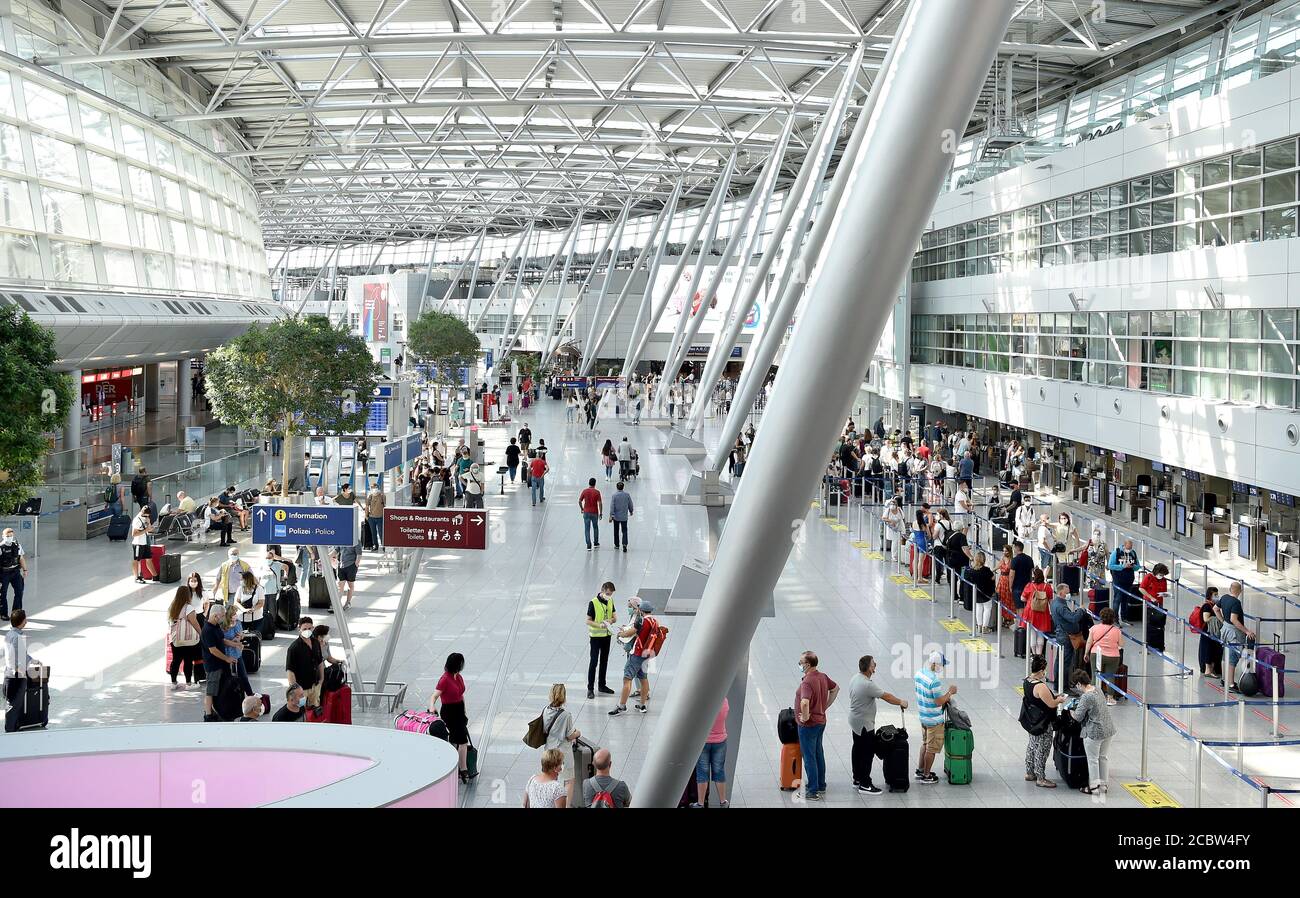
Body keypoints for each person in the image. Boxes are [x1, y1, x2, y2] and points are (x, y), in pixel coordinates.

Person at [848, 654, 908, 795]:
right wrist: (901, 702)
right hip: (864, 724)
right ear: (869, 668)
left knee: (857, 749)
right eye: (874, 664)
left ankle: (857, 778)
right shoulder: (867, 684)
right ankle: (865, 784)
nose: (875, 665)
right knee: (866, 753)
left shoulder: (855, 678)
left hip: (855, 720)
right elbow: (886, 696)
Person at [794, 650, 839, 800]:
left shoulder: (807, 682)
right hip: (821, 722)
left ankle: (812, 791)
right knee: (818, 753)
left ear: (807, 664)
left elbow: (805, 702)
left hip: (809, 726)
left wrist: (805, 717)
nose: (799, 664)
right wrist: (824, 706)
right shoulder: (822, 676)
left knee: (809, 757)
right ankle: (820, 784)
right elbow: (835, 688)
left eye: (801, 662)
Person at [1020, 653, 1068, 788]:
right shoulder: (1040, 686)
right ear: (1041, 670)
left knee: (1032, 746)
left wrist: (1053, 697)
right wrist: (1060, 699)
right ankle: (1041, 778)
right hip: (1043, 723)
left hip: (1032, 721)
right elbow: (1051, 704)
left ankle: (1030, 772)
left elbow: (1040, 699)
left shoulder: (1027, 680)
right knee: (1042, 749)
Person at [1068, 669, 1117, 794]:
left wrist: (1071, 712)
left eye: (1076, 685)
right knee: (1103, 757)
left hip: (1095, 732)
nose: (1076, 688)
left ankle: (1094, 788)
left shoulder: (1086, 696)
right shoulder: (1098, 689)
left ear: (1079, 683)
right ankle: (1103, 785)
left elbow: (1078, 717)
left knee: (1093, 760)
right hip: (1108, 728)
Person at [609, 597, 658, 716]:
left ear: (641, 610)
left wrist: (620, 633)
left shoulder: (641, 620)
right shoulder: (654, 621)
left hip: (636, 654)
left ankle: (622, 706)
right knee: (643, 678)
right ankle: (642, 705)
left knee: (627, 679)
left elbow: (630, 633)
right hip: (647, 654)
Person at [913, 652, 956, 784]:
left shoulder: (919, 673)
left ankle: (920, 770)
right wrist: (950, 693)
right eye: (941, 665)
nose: (942, 667)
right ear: (936, 664)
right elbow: (939, 701)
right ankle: (926, 776)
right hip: (934, 720)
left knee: (925, 744)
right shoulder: (934, 681)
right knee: (931, 749)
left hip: (923, 715)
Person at [432, 652, 475, 782]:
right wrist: (432, 707)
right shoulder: (445, 679)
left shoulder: (459, 677)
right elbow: (434, 695)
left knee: (457, 740)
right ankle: (463, 769)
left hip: (459, 710)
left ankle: (456, 767)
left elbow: (461, 695)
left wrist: (465, 712)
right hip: (449, 712)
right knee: (462, 741)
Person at [691, 697, 731, 808]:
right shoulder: (724, 702)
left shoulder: (702, 704)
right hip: (720, 741)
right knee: (719, 771)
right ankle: (723, 802)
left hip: (704, 742)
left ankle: (700, 803)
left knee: (702, 773)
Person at [1217, 581, 1255, 694]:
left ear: (1230, 589)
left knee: (1226, 656)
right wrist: (1247, 631)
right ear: (1240, 591)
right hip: (1234, 634)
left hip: (1225, 630)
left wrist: (1223, 620)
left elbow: (1215, 609)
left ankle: (1224, 679)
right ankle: (1231, 684)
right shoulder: (1236, 603)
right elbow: (1234, 619)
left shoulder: (1224, 598)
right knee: (1232, 658)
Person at [200, 606, 236, 721]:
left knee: (219, 688)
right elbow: (213, 650)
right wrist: (226, 658)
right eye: (222, 615)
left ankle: (216, 710)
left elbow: (222, 640)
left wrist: (234, 644)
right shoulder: (207, 630)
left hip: (220, 664)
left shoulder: (216, 627)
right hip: (213, 665)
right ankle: (208, 714)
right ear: (215, 616)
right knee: (211, 690)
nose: (224, 618)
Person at [1083, 607, 1123, 705]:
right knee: (1110, 676)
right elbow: (1121, 644)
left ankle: (1094, 697)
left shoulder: (1094, 628)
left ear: (1101, 617)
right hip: (1113, 656)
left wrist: (1086, 653)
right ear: (1113, 618)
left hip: (1096, 654)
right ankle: (1110, 698)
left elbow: (1089, 642)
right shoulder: (1117, 630)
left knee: (1095, 675)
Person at [166, 585, 203, 687]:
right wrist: (201, 633)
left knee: (176, 660)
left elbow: (170, 622)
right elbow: (194, 623)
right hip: (188, 639)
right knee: (188, 660)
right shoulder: (188, 607)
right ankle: (188, 683)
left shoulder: (172, 607)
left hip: (175, 638)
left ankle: (173, 682)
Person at [586, 581, 618, 699]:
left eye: (611, 594)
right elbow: (588, 620)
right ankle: (590, 688)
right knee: (594, 662)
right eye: (608, 593)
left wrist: (610, 621)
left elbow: (615, 617)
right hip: (595, 637)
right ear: (603, 590)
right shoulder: (593, 603)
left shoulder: (610, 601)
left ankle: (602, 685)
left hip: (607, 636)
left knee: (604, 661)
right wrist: (599, 625)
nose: (609, 596)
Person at [286, 615, 323, 709]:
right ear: (299, 629)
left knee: (315, 711)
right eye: (304, 629)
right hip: (302, 689)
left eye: (309, 628)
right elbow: (290, 671)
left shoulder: (315, 643)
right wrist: (295, 691)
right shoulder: (294, 648)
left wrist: (321, 679)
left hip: (315, 686)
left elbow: (319, 662)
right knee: (301, 712)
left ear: (313, 628)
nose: (307, 631)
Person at [1139, 562, 1170, 653]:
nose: (1162, 576)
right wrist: (1151, 597)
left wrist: (1166, 594)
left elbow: (1164, 591)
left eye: (1163, 575)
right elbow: (1141, 588)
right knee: (1149, 625)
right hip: (1149, 604)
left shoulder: (1163, 580)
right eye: (1161, 574)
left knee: (1160, 625)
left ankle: (1159, 644)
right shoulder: (1148, 577)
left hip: (1159, 604)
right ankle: (1148, 643)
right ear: (1156, 572)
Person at [1021, 568, 1053, 655]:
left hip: (1031, 612)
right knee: (1040, 634)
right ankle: (1039, 655)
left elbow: (1022, 598)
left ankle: (1034, 654)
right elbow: (1051, 601)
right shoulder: (1047, 587)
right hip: (1043, 612)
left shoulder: (1029, 585)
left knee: (1032, 634)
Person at [1107, 538, 1140, 621]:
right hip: (1118, 579)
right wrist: (1122, 566)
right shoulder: (1116, 552)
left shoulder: (1133, 553)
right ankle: (1115, 618)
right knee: (1118, 598)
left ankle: (1124, 617)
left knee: (1126, 599)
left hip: (1128, 579)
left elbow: (1137, 567)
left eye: (1131, 548)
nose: (1129, 549)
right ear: (1124, 545)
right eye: (1128, 548)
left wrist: (1133, 566)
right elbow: (1110, 565)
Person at [966, 550, 997, 633]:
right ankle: (985, 627)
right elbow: (993, 578)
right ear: (984, 560)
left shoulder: (972, 571)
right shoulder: (986, 570)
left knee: (978, 608)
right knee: (987, 609)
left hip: (977, 593)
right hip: (987, 593)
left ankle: (979, 626)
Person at [1196, 586, 1223, 678]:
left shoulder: (1213, 605)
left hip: (1213, 632)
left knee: (1214, 650)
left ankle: (1213, 669)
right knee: (1208, 650)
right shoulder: (1207, 606)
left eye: (1217, 594)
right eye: (1215, 595)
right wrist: (1216, 618)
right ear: (1210, 595)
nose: (1217, 596)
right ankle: (1208, 671)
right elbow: (1206, 618)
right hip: (1208, 632)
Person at [0, 528, 27, 620]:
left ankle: (16, 613)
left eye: (11, 536)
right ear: (3, 536)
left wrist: (25, 570)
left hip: (15, 572)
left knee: (19, 592)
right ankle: (3, 613)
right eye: (7, 536)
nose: (9, 538)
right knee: (3, 594)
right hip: (4, 573)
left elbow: (21, 558)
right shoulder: (0, 547)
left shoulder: (17, 545)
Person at [130, 506, 158, 584]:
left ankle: (155, 575)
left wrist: (149, 523)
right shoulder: (137, 520)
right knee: (137, 560)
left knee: (148, 558)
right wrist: (146, 530)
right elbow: (134, 534)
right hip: (138, 543)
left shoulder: (146, 518)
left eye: (148, 515)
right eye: (146, 515)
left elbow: (148, 528)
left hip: (145, 542)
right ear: (142, 513)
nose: (147, 517)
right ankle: (136, 576)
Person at [333, 540, 361, 610]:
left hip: (351, 565)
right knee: (340, 585)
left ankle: (347, 602)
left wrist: (355, 565)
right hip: (341, 565)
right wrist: (327, 557)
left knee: (350, 585)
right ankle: (337, 604)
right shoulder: (342, 539)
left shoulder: (356, 541)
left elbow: (359, 554)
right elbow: (337, 550)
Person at [1010, 540, 1034, 617]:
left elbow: (1011, 575)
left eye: (1014, 547)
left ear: (1017, 548)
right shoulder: (1029, 559)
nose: (1013, 549)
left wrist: (1010, 586)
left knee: (1019, 607)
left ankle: (1021, 625)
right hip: (1027, 586)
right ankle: (1027, 623)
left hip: (1017, 587)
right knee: (1027, 606)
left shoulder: (1015, 560)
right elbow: (1032, 573)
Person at [579, 477, 602, 550]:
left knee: (587, 529)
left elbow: (579, 501)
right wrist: (601, 513)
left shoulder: (585, 491)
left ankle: (588, 545)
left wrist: (582, 508)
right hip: (594, 512)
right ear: (595, 484)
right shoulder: (597, 492)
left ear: (589, 483)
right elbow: (600, 503)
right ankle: (596, 542)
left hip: (586, 512)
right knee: (595, 527)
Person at [610, 482, 633, 553]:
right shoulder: (627, 495)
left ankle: (617, 544)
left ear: (617, 487)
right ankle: (625, 544)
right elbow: (630, 504)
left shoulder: (614, 495)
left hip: (616, 517)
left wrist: (611, 515)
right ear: (623, 487)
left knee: (616, 531)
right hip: (624, 517)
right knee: (624, 531)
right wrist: (631, 511)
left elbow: (612, 506)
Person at [996, 545, 1015, 626]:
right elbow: (998, 566)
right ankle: (1004, 618)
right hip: (1001, 580)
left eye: (1006, 551)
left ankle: (1010, 619)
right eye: (1003, 551)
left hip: (1008, 580)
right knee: (1002, 599)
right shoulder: (1002, 558)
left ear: (1009, 551)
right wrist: (991, 570)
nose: (1004, 552)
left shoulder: (1012, 560)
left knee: (1008, 600)